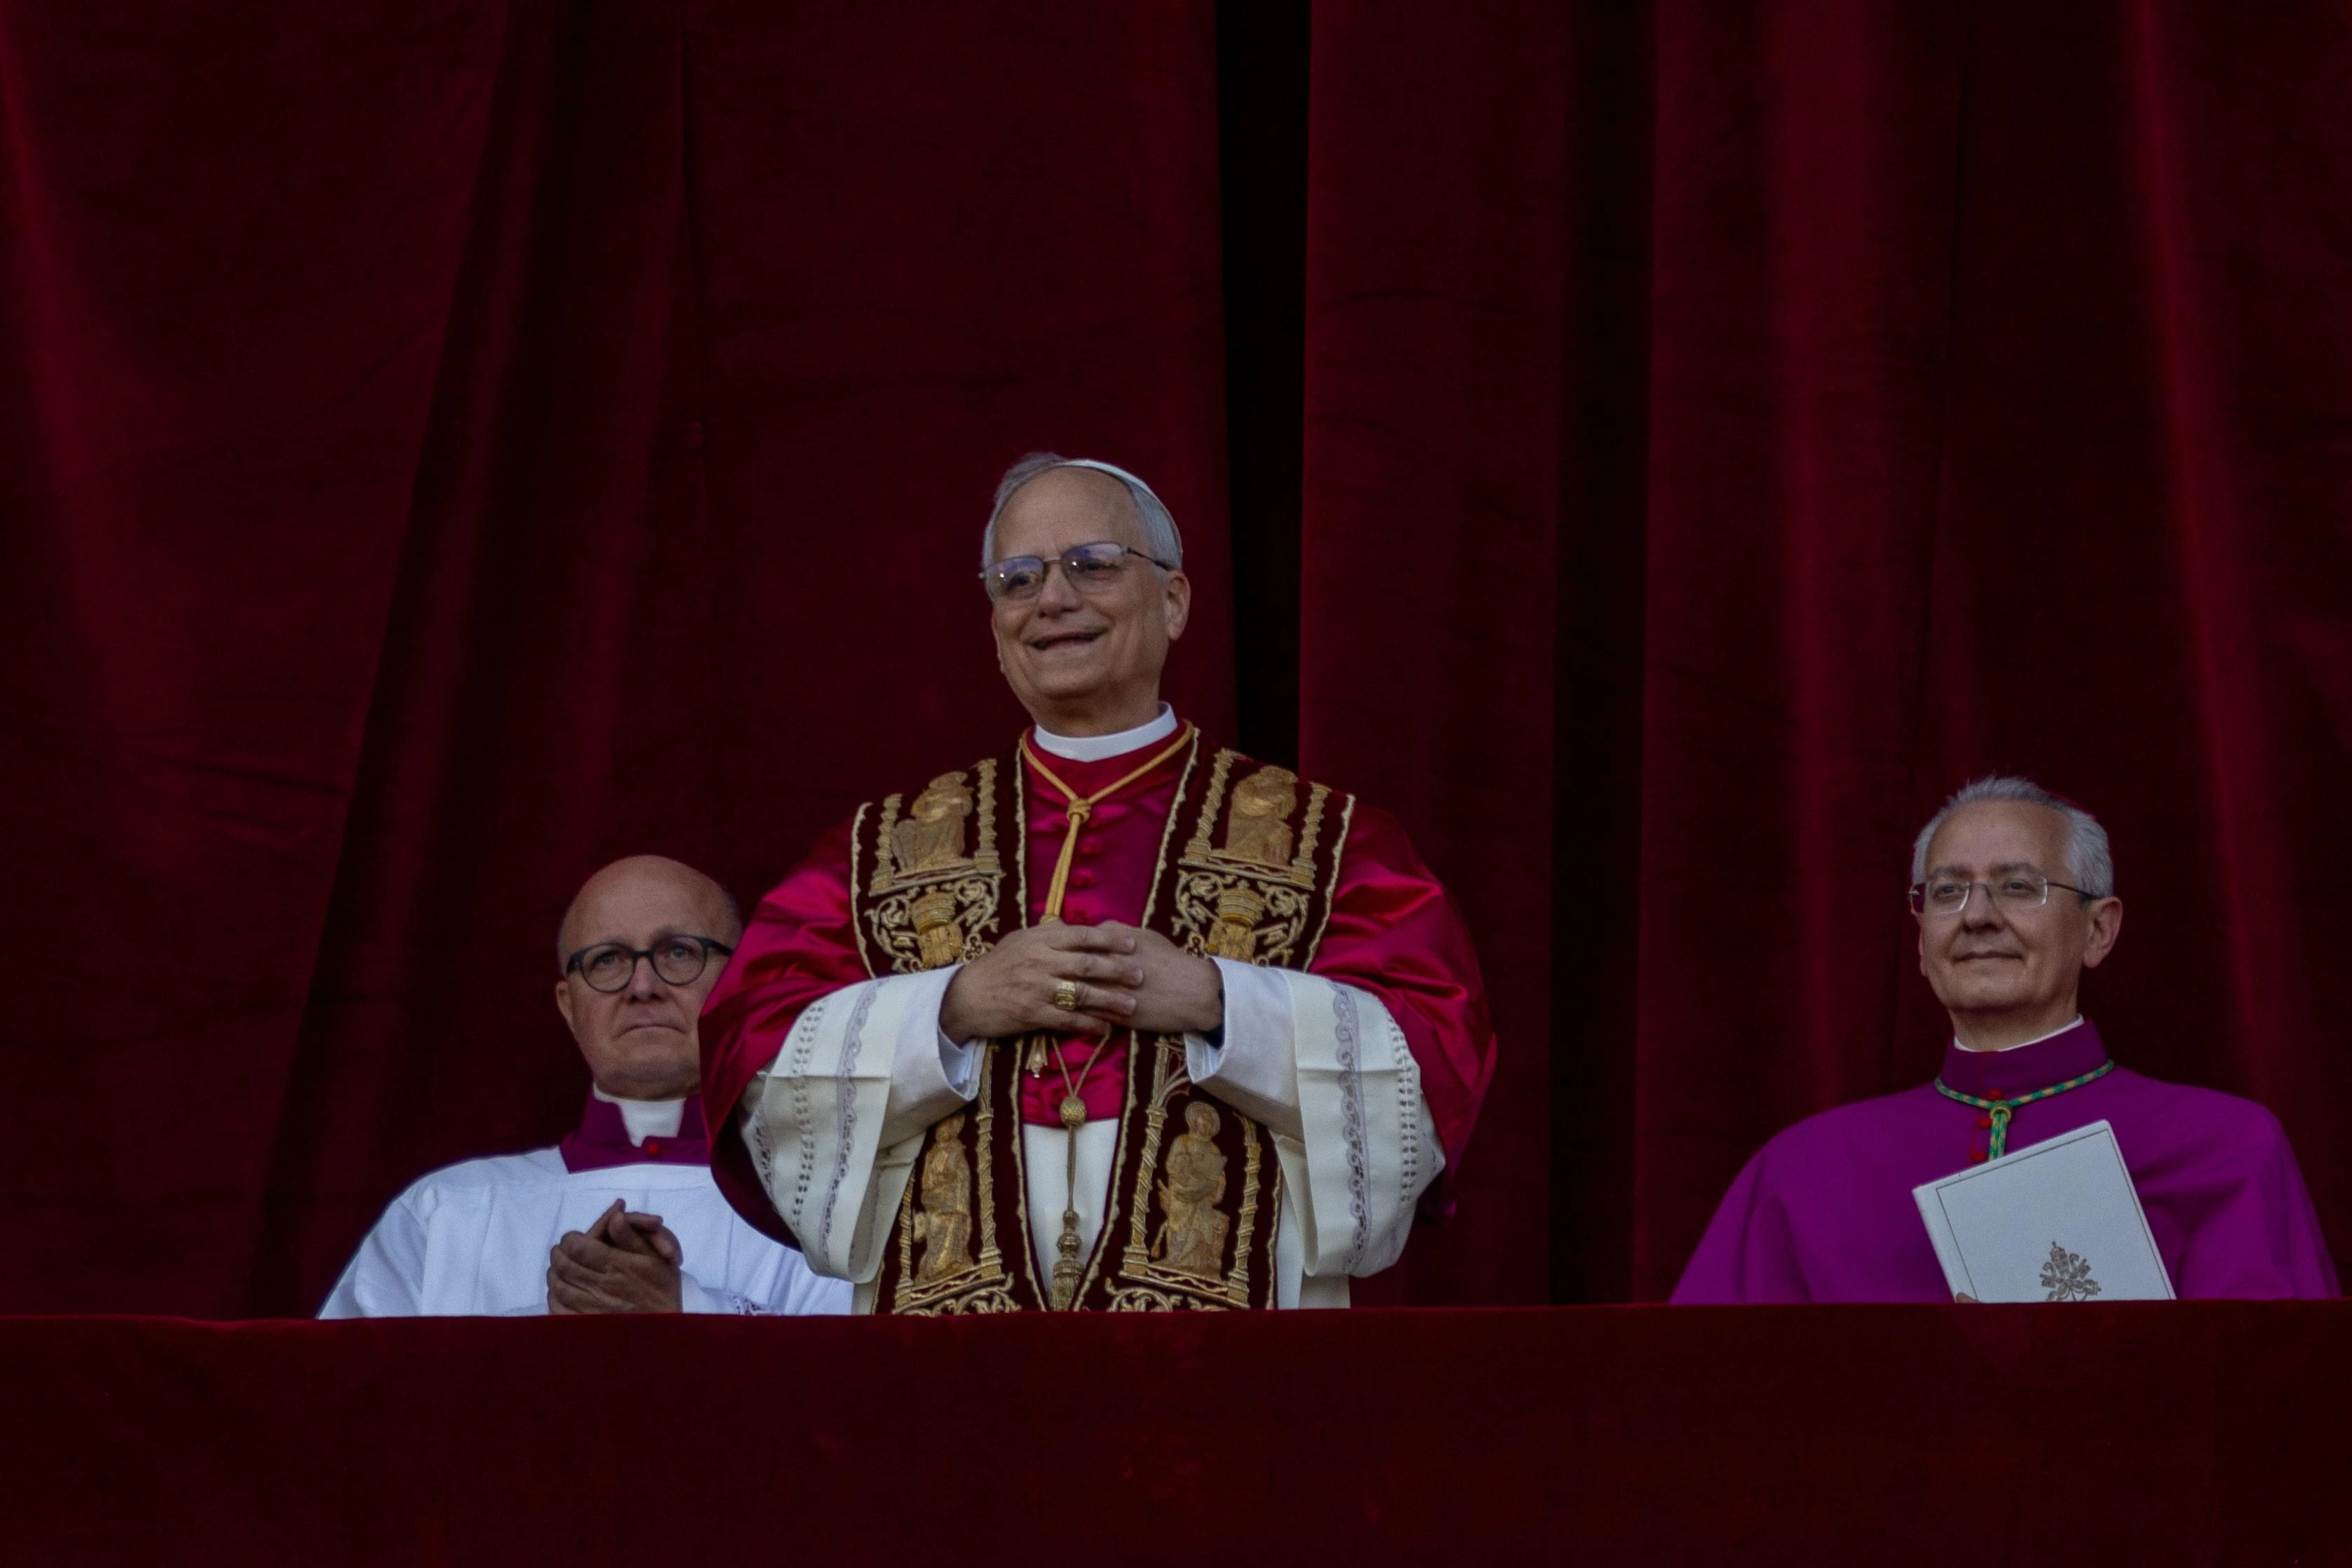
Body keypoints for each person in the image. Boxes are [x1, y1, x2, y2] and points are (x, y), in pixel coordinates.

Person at [701, 454, 1496, 1313]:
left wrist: (1221, 1000)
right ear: (995, 626)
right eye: (1018, 578)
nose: (1053, 599)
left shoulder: (1330, 841)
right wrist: (953, 1007)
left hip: (1227, 1346)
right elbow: (755, 1061)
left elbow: (1432, 1065)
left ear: (1174, 601)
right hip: (947, 1346)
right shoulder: (878, 851)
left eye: (1093, 564)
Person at [1672, 776, 2337, 1303]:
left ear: (2099, 930)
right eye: (1948, 891)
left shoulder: (2227, 1150)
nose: (1978, 917)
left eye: (2018, 887)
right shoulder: (1800, 1172)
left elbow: (2281, 1403)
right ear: (1922, 943)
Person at [322, 856, 850, 1317]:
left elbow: (855, 1384)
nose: (643, 986)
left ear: (738, 987)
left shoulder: (826, 1208)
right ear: (569, 1007)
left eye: (679, 952)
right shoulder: (443, 1213)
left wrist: (688, 1311)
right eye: (607, 959)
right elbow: (349, 1388)